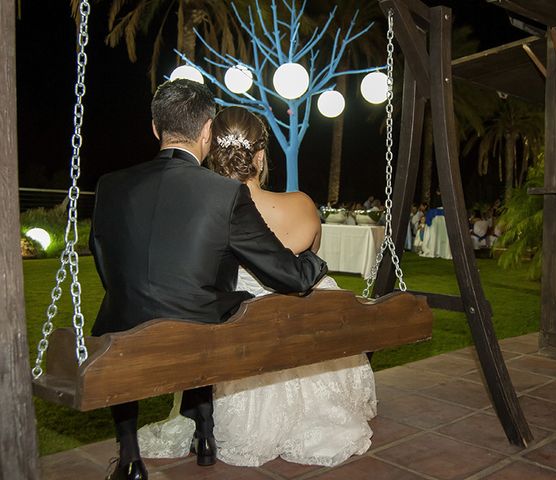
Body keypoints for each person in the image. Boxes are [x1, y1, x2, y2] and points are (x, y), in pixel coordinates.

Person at [90, 82, 327, 480]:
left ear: (155, 128)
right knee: (217, 306)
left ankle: (130, 455)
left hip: (120, 326)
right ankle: (204, 434)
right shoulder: (225, 193)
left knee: (142, 306)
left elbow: (102, 258)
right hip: (197, 330)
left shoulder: (110, 184)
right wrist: (314, 261)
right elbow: (288, 276)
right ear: (206, 133)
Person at [137, 107, 377, 467]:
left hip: (236, 341)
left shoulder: (204, 210)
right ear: (261, 155)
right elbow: (309, 258)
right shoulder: (300, 204)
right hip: (301, 336)